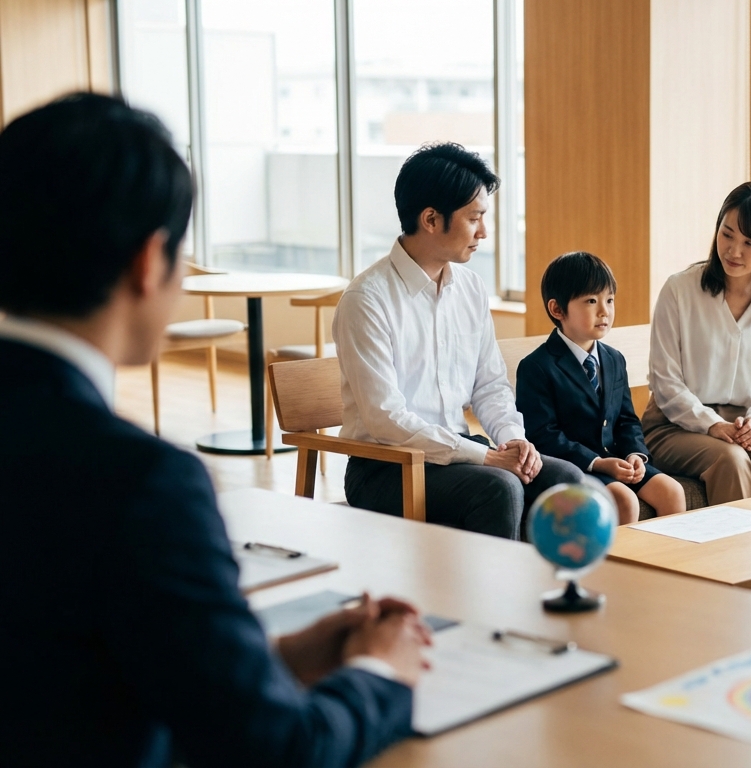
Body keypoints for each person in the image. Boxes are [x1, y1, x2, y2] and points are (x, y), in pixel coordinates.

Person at [0, 93, 430, 767]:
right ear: (149, 263)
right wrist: (380, 672)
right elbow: (279, 750)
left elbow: (61, 667)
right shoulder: (140, 483)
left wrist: (272, 657)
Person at [336, 143, 583, 539]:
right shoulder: (367, 300)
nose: (484, 232)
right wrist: (485, 456)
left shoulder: (469, 288)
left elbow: (490, 386)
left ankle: (541, 593)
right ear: (431, 219)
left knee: (564, 478)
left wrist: (513, 440)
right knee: (497, 489)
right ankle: (487, 600)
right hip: (386, 466)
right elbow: (386, 419)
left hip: (455, 454)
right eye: (474, 218)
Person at [644, 181, 751, 505]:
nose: (733, 250)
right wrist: (712, 424)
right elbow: (665, 383)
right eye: (727, 233)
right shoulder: (679, 290)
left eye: (750, 242)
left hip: (747, 421)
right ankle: (737, 556)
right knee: (730, 459)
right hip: (674, 426)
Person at [516, 252, 687, 525]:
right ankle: (619, 568)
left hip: (618, 459)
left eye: (609, 300)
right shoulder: (537, 366)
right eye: (591, 301)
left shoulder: (614, 358)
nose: (604, 311)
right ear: (558, 310)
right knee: (623, 499)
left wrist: (635, 454)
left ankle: (668, 566)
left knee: (672, 491)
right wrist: (597, 462)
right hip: (578, 466)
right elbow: (542, 435)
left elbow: (627, 420)